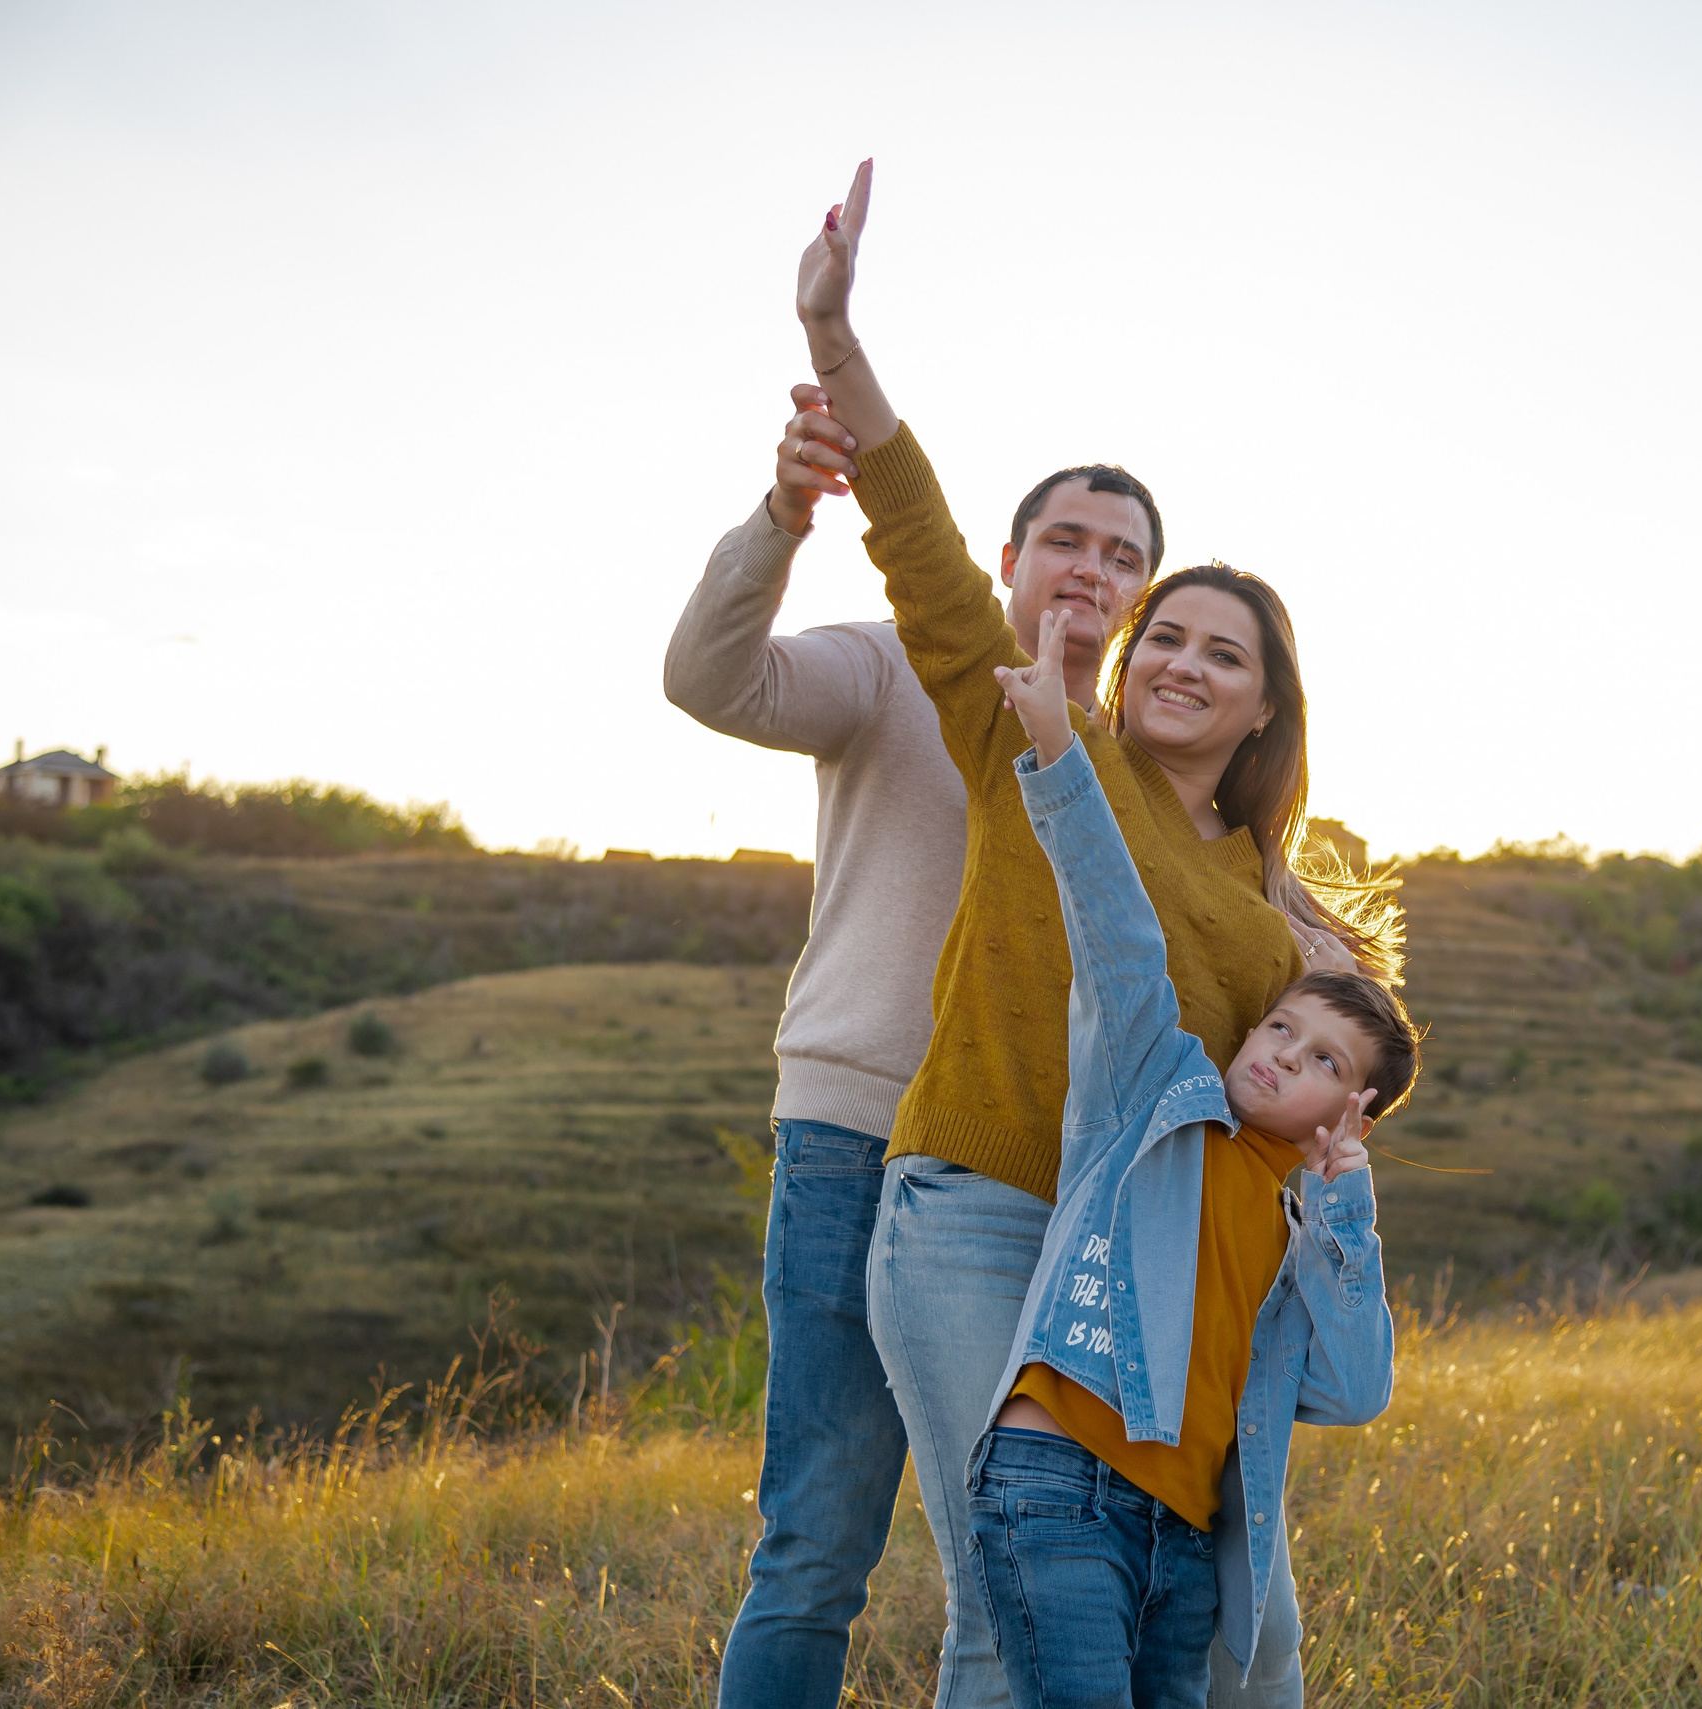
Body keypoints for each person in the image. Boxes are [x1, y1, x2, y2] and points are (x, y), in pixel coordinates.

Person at [787, 159, 1402, 1707]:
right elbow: (928, 553)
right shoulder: (1040, 745)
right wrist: (835, 336)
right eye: (1164, 635)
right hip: (978, 1209)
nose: (1181, 661)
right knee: (1008, 1602)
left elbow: (1326, 1078)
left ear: (1267, 704)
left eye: (1223, 654)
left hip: (1147, 1260)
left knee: (1198, 1625)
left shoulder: (1275, 912)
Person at [664, 397, 1160, 1700]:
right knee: (816, 1542)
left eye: (1122, 556)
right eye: (1066, 540)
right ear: (1006, 559)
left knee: (1016, 1547)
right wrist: (783, 517)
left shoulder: (1131, 761)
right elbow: (710, 680)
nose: (1090, 569)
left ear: (1142, 594)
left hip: (1030, 1178)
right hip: (859, 1133)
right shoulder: (896, 668)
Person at [971, 605, 1410, 1707]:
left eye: (1321, 1059)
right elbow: (1117, 931)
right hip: (1057, 1481)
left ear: (1348, 1112)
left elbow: (1354, 1390)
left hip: (1185, 1532)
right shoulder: (1154, 1094)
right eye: (1281, 1026)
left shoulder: (1300, 1235)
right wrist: (1057, 749)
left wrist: (1347, 1215)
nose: (1282, 1053)